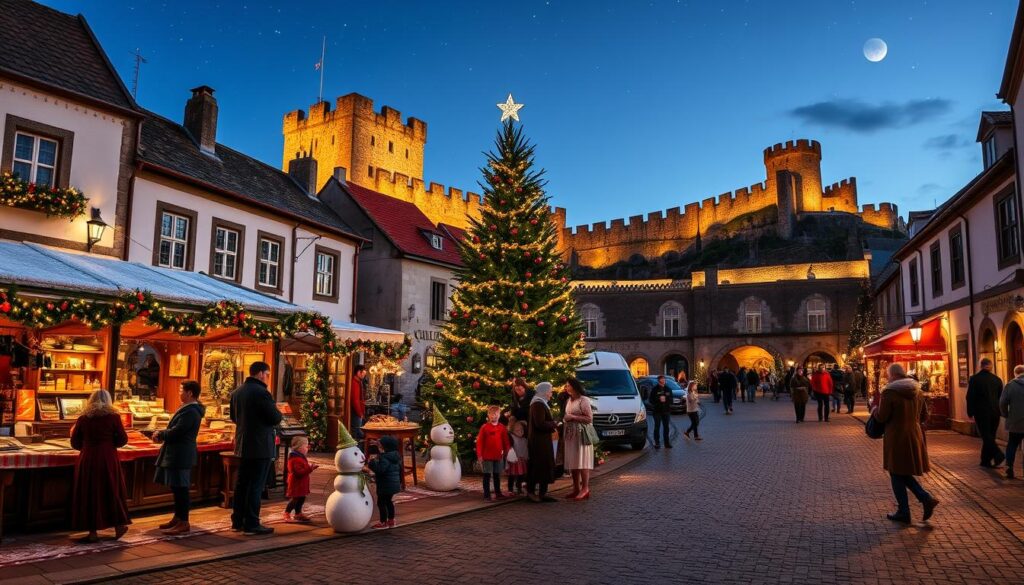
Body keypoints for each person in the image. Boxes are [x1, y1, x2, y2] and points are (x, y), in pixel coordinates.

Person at [871, 363, 939, 524]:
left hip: (896, 436)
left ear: (892, 375)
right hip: (914, 434)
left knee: (896, 471)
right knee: (901, 472)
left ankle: (905, 510)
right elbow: (924, 417)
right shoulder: (918, 390)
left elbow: (881, 417)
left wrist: (874, 410)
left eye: (888, 375)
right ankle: (924, 499)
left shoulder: (889, 392)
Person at [70, 389, 131, 543]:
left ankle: (92, 532)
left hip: (88, 458)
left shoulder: (84, 418)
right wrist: (110, 445)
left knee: (90, 492)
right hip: (108, 458)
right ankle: (119, 526)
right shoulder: (114, 417)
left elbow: (74, 442)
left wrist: (87, 447)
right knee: (111, 490)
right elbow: (123, 439)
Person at [229, 361, 283, 536]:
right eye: (267, 374)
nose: (267, 377)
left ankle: (237, 520)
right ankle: (252, 523)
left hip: (243, 443)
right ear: (260, 373)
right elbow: (274, 417)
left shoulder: (237, 392)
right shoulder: (262, 393)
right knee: (256, 485)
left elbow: (233, 417)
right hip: (260, 445)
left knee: (242, 483)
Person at [154, 380, 206, 535]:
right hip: (177, 452)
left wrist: (161, 434)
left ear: (190, 393)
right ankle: (178, 517)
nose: (179, 393)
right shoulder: (187, 408)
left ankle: (184, 521)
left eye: (181, 390)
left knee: (181, 487)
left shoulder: (191, 411)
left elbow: (179, 430)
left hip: (181, 453)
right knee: (176, 487)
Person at [966, 358, 1005, 468]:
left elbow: (970, 397)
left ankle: (998, 454)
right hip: (995, 412)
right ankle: (985, 461)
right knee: (990, 435)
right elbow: (1000, 397)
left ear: (980, 366)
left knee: (985, 435)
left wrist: (970, 412)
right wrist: (1000, 410)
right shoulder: (997, 380)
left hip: (981, 412)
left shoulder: (974, 379)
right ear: (991, 366)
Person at [561, 377, 594, 501]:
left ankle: (585, 488)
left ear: (574, 386)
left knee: (582, 461)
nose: (566, 387)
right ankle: (575, 488)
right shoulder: (569, 400)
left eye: (568, 385)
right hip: (570, 435)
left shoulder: (583, 400)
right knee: (573, 461)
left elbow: (589, 418)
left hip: (581, 434)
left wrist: (572, 417)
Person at [526, 382, 558, 503]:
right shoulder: (537, 404)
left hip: (543, 440)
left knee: (544, 465)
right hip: (538, 441)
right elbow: (539, 423)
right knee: (537, 466)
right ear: (544, 392)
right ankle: (531, 492)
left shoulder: (541, 403)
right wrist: (554, 424)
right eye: (550, 391)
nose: (551, 393)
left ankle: (543, 492)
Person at [476, 405, 511, 501]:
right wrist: (479, 455)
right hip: (487, 456)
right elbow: (479, 442)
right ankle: (486, 495)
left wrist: (508, 453)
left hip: (498, 456)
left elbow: (506, 442)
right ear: (488, 415)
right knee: (487, 475)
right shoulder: (484, 428)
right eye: (491, 415)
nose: (493, 416)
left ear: (499, 415)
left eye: (495, 414)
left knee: (497, 475)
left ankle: (498, 493)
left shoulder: (502, 428)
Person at [367, 435, 402, 529]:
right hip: (393, 484)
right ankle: (391, 520)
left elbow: (380, 470)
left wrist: (372, 463)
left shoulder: (385, 458)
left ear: (385, 448)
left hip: (385, 484)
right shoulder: (395, 456)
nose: (379, 449)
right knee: (389, 502)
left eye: (380, 447)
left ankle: (383, 522)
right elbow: (399, 470)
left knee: (381, 503)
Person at [284, 436, 319, 522]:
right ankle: (287, 513)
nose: (308, 448)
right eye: (306, 446)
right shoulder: (295, 459)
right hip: (296, 484)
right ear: (299, 448)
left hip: (301, 484)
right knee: (295, 499)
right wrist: (310, 468)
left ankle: (298, 513)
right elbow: (298, 473)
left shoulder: (300, 457)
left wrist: (309, 467)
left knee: (301, 498)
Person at [1000, 365, 1024, 479]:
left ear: (1015, 373)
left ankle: (1009, 467)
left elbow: (1002, 402)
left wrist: (1006, 414)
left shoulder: (1010, 385)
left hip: (1015, 421)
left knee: (1012, 444)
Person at [647, 375, 673, 449]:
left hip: (666, 411)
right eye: (662, 379)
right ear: (659, 380)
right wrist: (658, 399)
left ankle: (667, 443)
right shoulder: (654, 389)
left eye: (664, 379)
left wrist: (666, 400)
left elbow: (671, 400)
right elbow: (650, 400)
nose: (663, 380)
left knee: (666, 427)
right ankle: (657, 443)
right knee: (657, 427)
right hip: (657, 411)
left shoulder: (668, 389)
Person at [506, 420, 529, 494]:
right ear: (513, 431)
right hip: (514, 461)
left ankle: (519, 487)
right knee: (512, 475)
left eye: (521, 430)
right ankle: (510, 489)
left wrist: (526, 457)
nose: (520, 432)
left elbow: (525, 450)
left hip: (522, 460)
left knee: (521, 474)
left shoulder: (524, 439)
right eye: (517, 430)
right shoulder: (512, 438)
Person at [350, 365, 367, 440]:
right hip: (356, 411)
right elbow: (355, 400)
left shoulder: (358, 382)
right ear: (358, 372)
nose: (364, 375)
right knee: (356, 430)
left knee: (357, 430)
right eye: (363, 373)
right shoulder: (355, 383)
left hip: (358, 410)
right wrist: (360, 413)